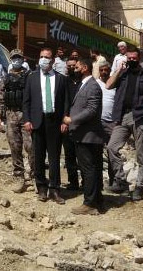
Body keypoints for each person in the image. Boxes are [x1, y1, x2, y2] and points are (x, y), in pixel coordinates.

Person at [105, 46, 143, 201]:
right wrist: (118, 70)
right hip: (122, 116)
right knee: (111, 147)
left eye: (134, 58)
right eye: (129, 58)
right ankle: (121, 181)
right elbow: (108, 85)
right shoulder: (122, 75)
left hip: (139, 116)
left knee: (141, 155)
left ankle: (140, 187)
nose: (132, 60)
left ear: (139, 58)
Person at [22, 48, 70, 204]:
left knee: (54, 157)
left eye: (47, 57)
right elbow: (26, 101)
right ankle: (41, 188)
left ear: (53, 61)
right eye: (41, 56)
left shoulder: (61, 79)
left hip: (54, 122)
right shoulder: (32, 78)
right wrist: (27, 120)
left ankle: (55, 189)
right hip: (37, 120)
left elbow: (66, 102)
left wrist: (64, 120)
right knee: (38, 157)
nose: (43, 59)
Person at [65, 58, 105, 215]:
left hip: (88, 135)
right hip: (83, 134)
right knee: (91, 168)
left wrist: (72, 119)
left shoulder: (93, 86)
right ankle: (96, 200)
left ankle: (89, 203)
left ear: (85, 68)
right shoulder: (84, 84)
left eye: (78, 66)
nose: (75, 68)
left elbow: (91, 110)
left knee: (88, 169)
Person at [0, 49, 34, 193]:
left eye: (19, 58)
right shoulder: (5, 78)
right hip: (11, 115)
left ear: (23, 59)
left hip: (26, 115)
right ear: (11, 60)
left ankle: (35, 177)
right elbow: (0, 98)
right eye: (14, 58)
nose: (16, 60)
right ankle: (19, 178)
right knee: (15, 147)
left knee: (31, 147)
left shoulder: (30, 76)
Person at [95, 60, 120, 187]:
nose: (104, 72)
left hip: (112, 123)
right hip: (98, 122)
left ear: (110, 70)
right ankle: (97, 181)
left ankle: (114, 180)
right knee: (97, 153)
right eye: (102, 70)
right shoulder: (95, 84)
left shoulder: (115, 84)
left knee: (112, 151)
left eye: (106, 70)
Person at [62, 56, 80, 191]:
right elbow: (62, 102)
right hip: (67, 121)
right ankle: (73, 182)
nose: (72, 68)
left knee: (83, 155)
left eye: (74, 65)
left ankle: (86, 181)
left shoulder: (83, 82)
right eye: (69, 66)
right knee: (69, 154)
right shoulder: (63, 81)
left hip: (82, 122)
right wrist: (64, 119)